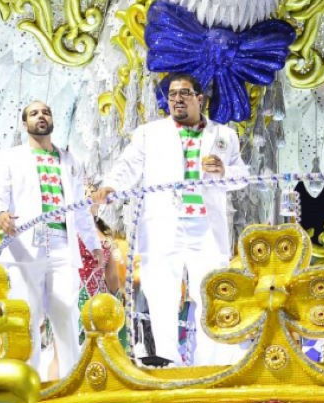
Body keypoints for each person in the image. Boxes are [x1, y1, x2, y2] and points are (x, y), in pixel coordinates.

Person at [95, 73, 248, 366]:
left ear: (200, 99)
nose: (177, 99)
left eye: (184, 93)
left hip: (205, 226)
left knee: (211, 289)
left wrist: (224, 172)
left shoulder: (224, 135)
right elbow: (128, 167)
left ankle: (211, 360)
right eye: (172, 94)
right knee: (161, 289)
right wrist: (112, 187)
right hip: (163, 224)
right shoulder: (150, 133)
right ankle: (168, 358)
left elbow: (242, 176)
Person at [0, 101, 100, 380]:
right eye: (34, 113)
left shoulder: (69, 160)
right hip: (25, 247)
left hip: (62, 245)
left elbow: (80, 208)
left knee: (65, 315)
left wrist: (94, 244)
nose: (41, 116)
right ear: (24, 123)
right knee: (28, 319)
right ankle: (28, 385)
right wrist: (1, 215)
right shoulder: (10, 157)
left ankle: (71, 383)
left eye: (47, 112)